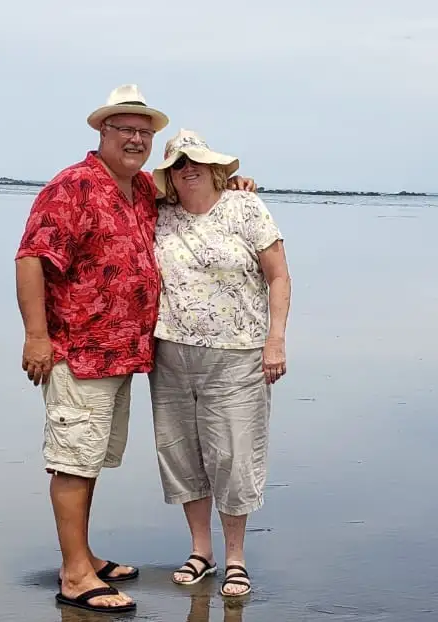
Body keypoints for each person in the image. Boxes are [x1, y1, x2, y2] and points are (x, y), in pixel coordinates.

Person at [14, 87, 256, 614]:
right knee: (73, 461)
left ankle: (85, 555)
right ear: (102, 132)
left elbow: (190, 190)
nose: (136, 139)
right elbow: (32, 257)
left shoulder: (140, 189)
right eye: (125, 129)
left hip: (122, 354)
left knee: (90, 458)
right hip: (78, 350)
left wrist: (232, 185)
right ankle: (75, 575)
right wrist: (36, 336)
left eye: (145, 132)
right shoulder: (74, 185)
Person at [148, 129, 292, 598]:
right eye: (177, 163)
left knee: (231, 455)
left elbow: (279, 276)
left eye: (196, 160)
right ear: (168, 174)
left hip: (237, 354)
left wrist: (276, 341)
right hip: (168, 353)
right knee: (181, 453)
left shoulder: (244, 206)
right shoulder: (157, 214)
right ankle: (200, 551)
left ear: (215, 167)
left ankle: (235, 558)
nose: (187, 168)